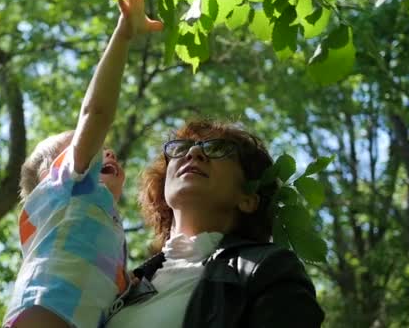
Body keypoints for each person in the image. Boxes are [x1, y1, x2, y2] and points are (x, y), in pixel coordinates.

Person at [2, 0, 163, 328]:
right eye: (82, 146)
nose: (104, 149)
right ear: (53, 174)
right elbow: (96, 112)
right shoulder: (66, 188)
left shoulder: (96, 222)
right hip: (45, 312)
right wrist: (123, 34)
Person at [105, 120, 325, 327]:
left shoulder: (267, 268)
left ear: (248, 199)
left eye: (219, 149)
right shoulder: (126, 284)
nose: (194, 152)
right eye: (182, 148)